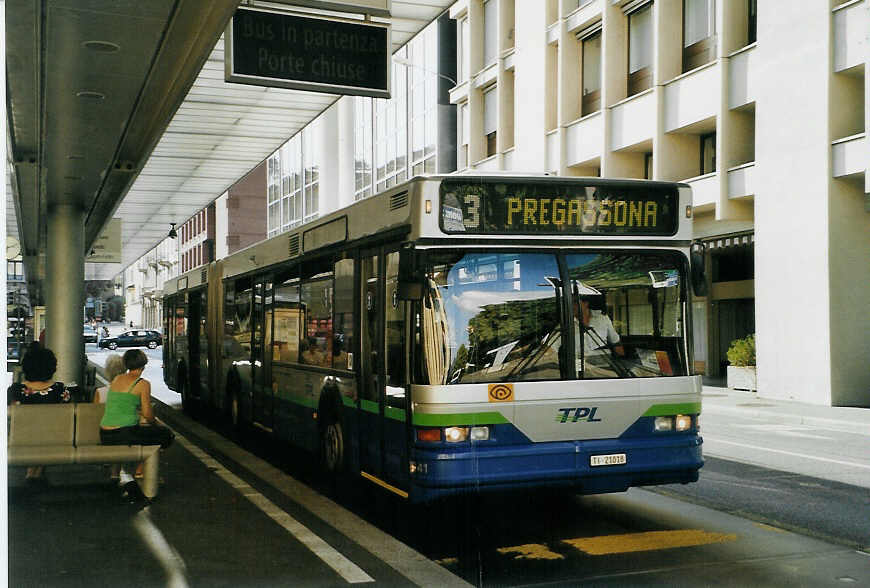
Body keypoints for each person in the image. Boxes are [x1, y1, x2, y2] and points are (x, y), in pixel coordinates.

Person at [100, 349, 174, 494]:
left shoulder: (117, 379)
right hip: (125, 433)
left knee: (149, 434)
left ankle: (141, 469)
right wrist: (156, 423)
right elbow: (147, 413)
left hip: (105, 434)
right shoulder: (142, 384)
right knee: (166, 435)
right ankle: (142, 469)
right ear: (143, 365)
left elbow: (122, 405)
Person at [7, 342, 71, 482]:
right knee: (45, 432)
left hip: (21, 438)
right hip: (53, 438)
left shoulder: (15, 390)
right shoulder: (60, 390)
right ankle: (36, 472)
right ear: (51, 368)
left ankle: (32, 473)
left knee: (34, 433)